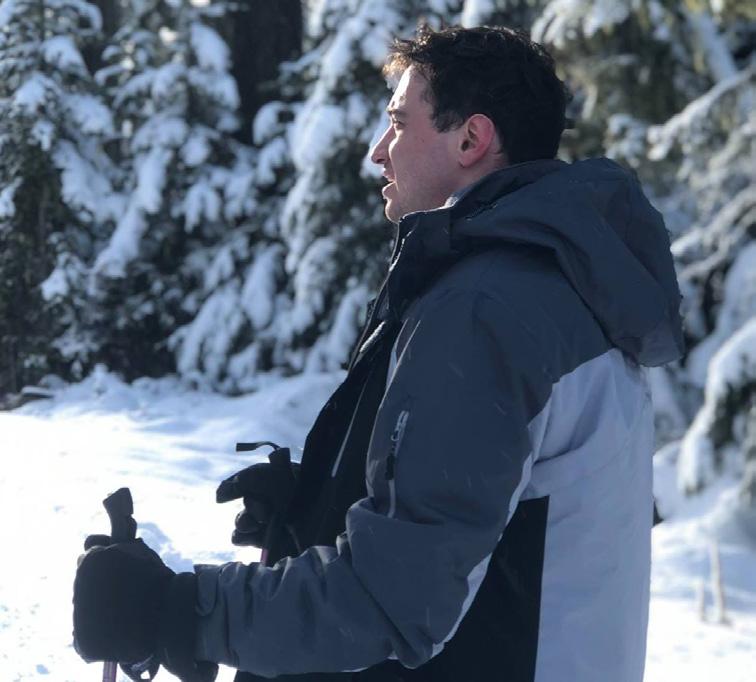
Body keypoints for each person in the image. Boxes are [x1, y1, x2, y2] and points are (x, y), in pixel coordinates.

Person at [72, 25, 685, 682]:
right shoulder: (551, 284)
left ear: (471, 140)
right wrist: (321, 502)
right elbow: (500, 520)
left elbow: (395, 601)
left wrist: (178, 611)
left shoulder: (489, 308)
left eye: (398, 123)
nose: (377, 151)